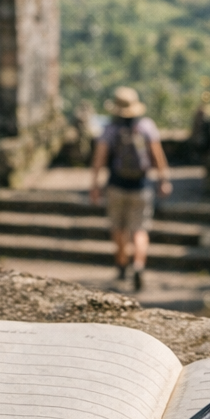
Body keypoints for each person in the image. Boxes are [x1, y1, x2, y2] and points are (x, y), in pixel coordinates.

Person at [89, 86, 172, 292]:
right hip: (141, 185)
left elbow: (99, 157)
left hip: (116, 184)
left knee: (118, 227)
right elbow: (157, 154)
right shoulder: (146, 126)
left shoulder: (110, 129)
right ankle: (138, 264)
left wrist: (95, 184)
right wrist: (164, 179)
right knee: (140, 229)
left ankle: (121, 263)